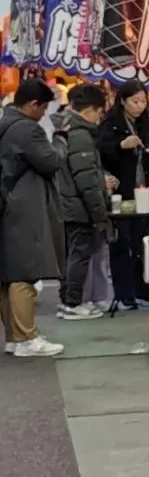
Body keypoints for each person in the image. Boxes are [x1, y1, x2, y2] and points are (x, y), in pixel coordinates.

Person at [0, 77, 67, 357]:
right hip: (23, 207)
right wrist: (61, 139)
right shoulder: (28, 130)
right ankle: (28, 338)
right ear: (32, 105)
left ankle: (14, 337)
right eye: (42, 109)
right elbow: (51, 161)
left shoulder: (5, 123)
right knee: (25, 273)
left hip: (7, 204)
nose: (43, 115)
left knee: (8, 274)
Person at [99, 80, 149, 311]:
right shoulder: (111, 123)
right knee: (122, 242)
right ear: (123, 100)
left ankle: (143, 290)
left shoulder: (148, 122)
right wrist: (121, 145)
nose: (140, 106)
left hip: (146, 189)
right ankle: (124, 294)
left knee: (143, 242)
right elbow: (102, 151)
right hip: (123, 192)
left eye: (143, 101)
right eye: (135, 101)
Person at [55, 83, 113, 321]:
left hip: (68, 205)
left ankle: (68, 300)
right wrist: (100, 214)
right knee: (79, 255)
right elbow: (86, 180)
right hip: (78, 207)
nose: (100, 118)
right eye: (100, 112)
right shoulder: (80, 135)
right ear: (90, 110)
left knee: (71, 255)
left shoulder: (67, 128)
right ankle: (73, 303)